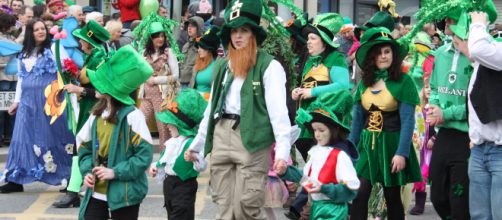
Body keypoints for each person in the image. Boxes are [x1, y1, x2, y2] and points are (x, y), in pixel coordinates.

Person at [184, 0, 292, 219]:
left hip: (251, 138)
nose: (238, 36)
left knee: (247, 207)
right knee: (224, 207)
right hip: (223, 135)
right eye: (234, 31)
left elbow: (278, 113)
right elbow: (211, 110)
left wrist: (282, 152)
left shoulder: (269, 66)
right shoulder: (223, 66)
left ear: (254, 34)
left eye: (244, 30)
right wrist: (197, 145)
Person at [349, 27, 422, 220]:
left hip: (391, 144)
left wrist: (401, 153)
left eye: (387, 51)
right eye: (379, 53)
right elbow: (357, 120)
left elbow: (407, 121)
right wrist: (348, 149)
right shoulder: (365, 82)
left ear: (393, 55)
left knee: (392, 197)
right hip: (366, 145)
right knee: (359, 192)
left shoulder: (404, 81)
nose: (383, 56)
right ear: (372, 57)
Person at [77, 45, 153, 219]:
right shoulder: (96, 115)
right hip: (96, 192)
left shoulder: (133, 116)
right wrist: (87, 171)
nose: (93, 84)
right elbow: (84, 148)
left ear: (113, 89)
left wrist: (115, 172)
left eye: (100, 82)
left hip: (124, 193)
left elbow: (144, 156)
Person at [0, 19, 75, 193]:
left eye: (43, 28)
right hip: (27, 104)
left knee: (56, 136)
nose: (41, 31)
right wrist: (17, 101)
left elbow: (68, 72)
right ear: (30, 33)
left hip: (50, 103)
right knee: (21, 138)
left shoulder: (55, 49)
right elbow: (21, 79)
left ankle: (69, 176)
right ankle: (15, 179)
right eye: (36, 29)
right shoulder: (23, 54)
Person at [51, 20, 112, 208]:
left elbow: (106, 91)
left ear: (90, 42)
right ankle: (75, 188)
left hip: (97, 110)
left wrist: (80, 91)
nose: (79, 43)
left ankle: (74, 191)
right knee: (82, 148)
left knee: (85, 149)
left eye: (82, 40)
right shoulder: (91, 57)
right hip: (88, 109)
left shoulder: (100, 58)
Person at [427, 11, 477, 220]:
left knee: (459, 198)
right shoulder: (440, 54)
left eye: (453, 19)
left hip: (466, 137)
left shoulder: (476, 56)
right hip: (444, 135)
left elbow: (477, 104)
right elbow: (435, 88)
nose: (447, 22)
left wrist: (445, 113)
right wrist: (434, 109)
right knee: (437, 195)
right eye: (446, 18)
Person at [281, 90, 360, 220]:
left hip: (333, 212)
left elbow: (351, 188)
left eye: (321, 130)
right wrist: (286, 171)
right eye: (314, 130)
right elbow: (306, 177)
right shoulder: (318, 151)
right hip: (315, 206)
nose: (317, 134)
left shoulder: (341, 156)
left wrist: (325, 188)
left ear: (334, 130)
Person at [291, 12, 350, 161]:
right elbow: (307, 84)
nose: (308, 42)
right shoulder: (310, 60)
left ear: (324, 41)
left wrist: (313, 91)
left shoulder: (336, 58)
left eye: (312, 38)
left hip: (325, 123)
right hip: (305, 124)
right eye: (308, 39)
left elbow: (343, 86)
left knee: (322, 166)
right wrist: (297, 91)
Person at [149, 89, 207, 220]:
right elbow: (166, 160)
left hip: (184, 187)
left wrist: (195, 158)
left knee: (181, 215)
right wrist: (156, 167)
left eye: (171, 122)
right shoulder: (173, 141)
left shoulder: (192, 143)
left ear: (181, 125)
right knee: (171, 214)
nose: (167, 125)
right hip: (169, 186)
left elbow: (202, 165)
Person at [466, 10, 502, 220]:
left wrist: (479, 23)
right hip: (480, 149)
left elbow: (478, 49)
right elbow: (473, 53)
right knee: (480, 216)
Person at [139, 21, 179, 150]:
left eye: (162, 36)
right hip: (146, 94)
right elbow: (139, 71)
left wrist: (156, 80)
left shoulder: (169, 52)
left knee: (163, 130)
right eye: (157, 36)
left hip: (162, 96)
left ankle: (164, 160)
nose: (160, 39)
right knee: (139, 123)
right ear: (151, 38)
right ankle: (139, 154)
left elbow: (176, 76)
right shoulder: (145, 52)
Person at [409, 69, 435, 215]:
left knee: (432, 174)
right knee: (421, 174)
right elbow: (416, 127)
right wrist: (417, 139)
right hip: (421, 147)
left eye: (431, 87)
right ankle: (420, 204)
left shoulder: (438, 107)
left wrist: (434, 139)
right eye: (426, 87)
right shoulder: (419, 109)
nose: (429, 90)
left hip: (434, 147)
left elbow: (441, 128)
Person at [0, 13, 18, 147]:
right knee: (1, 109)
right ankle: (1, 135)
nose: (13, 26)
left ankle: (10, 135)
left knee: (12, 107)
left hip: (14, 77)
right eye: (11, 24)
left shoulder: (13, 38)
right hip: (3, 77)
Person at [189, 25, 220, 100]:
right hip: (195, 101)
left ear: (209, 49)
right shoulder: (197, 66)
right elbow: (192, 86)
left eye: (201, 47)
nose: (198, 50)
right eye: (198, 47)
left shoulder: (217, 66)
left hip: (209, 103)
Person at [179, 16, 203, 88]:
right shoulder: (186, 45)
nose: (189, 28)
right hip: (182, 81)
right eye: (188, 26)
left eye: (193, 26)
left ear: (199, 28)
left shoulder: (202, 45)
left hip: (194, 83)